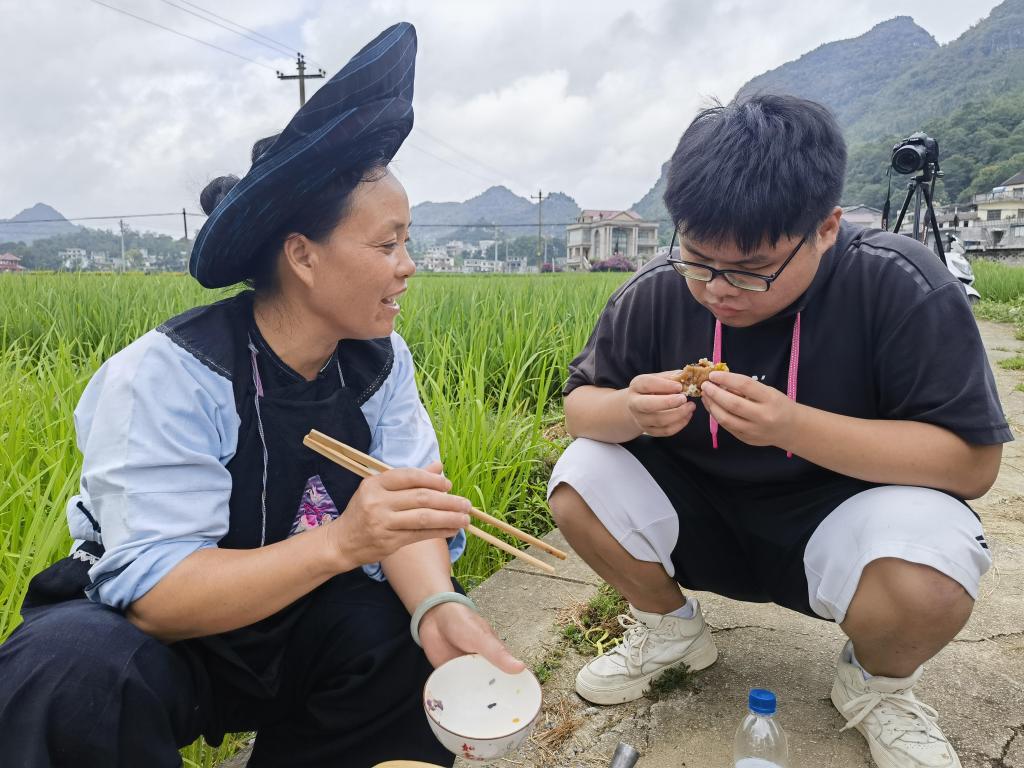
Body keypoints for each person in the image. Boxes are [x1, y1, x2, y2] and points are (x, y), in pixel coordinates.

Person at [0, 23, 522, 768]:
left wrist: (439, 608)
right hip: (169, 641)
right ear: (303, 256)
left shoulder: (379, 362)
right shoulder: (171, 374)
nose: (408, 266)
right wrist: (341, 541)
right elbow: (159, 596)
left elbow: (403, 517)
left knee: (404, 635)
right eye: (387, 244)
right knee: (70, 672)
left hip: (299, 619)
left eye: (406, 243)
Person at [548, 94, 1008, 768]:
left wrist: (792, 425)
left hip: (843, 521)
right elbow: (580, 409)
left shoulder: (899, 284)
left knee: (934, 570)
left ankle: (877, 686)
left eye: (751, 270)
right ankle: (670, 632)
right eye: (698, 258)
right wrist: (629, 410)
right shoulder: (657, 290)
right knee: (578, 476)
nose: (717, 289)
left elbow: (971, 463)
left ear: (825, 229)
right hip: (698, 516)